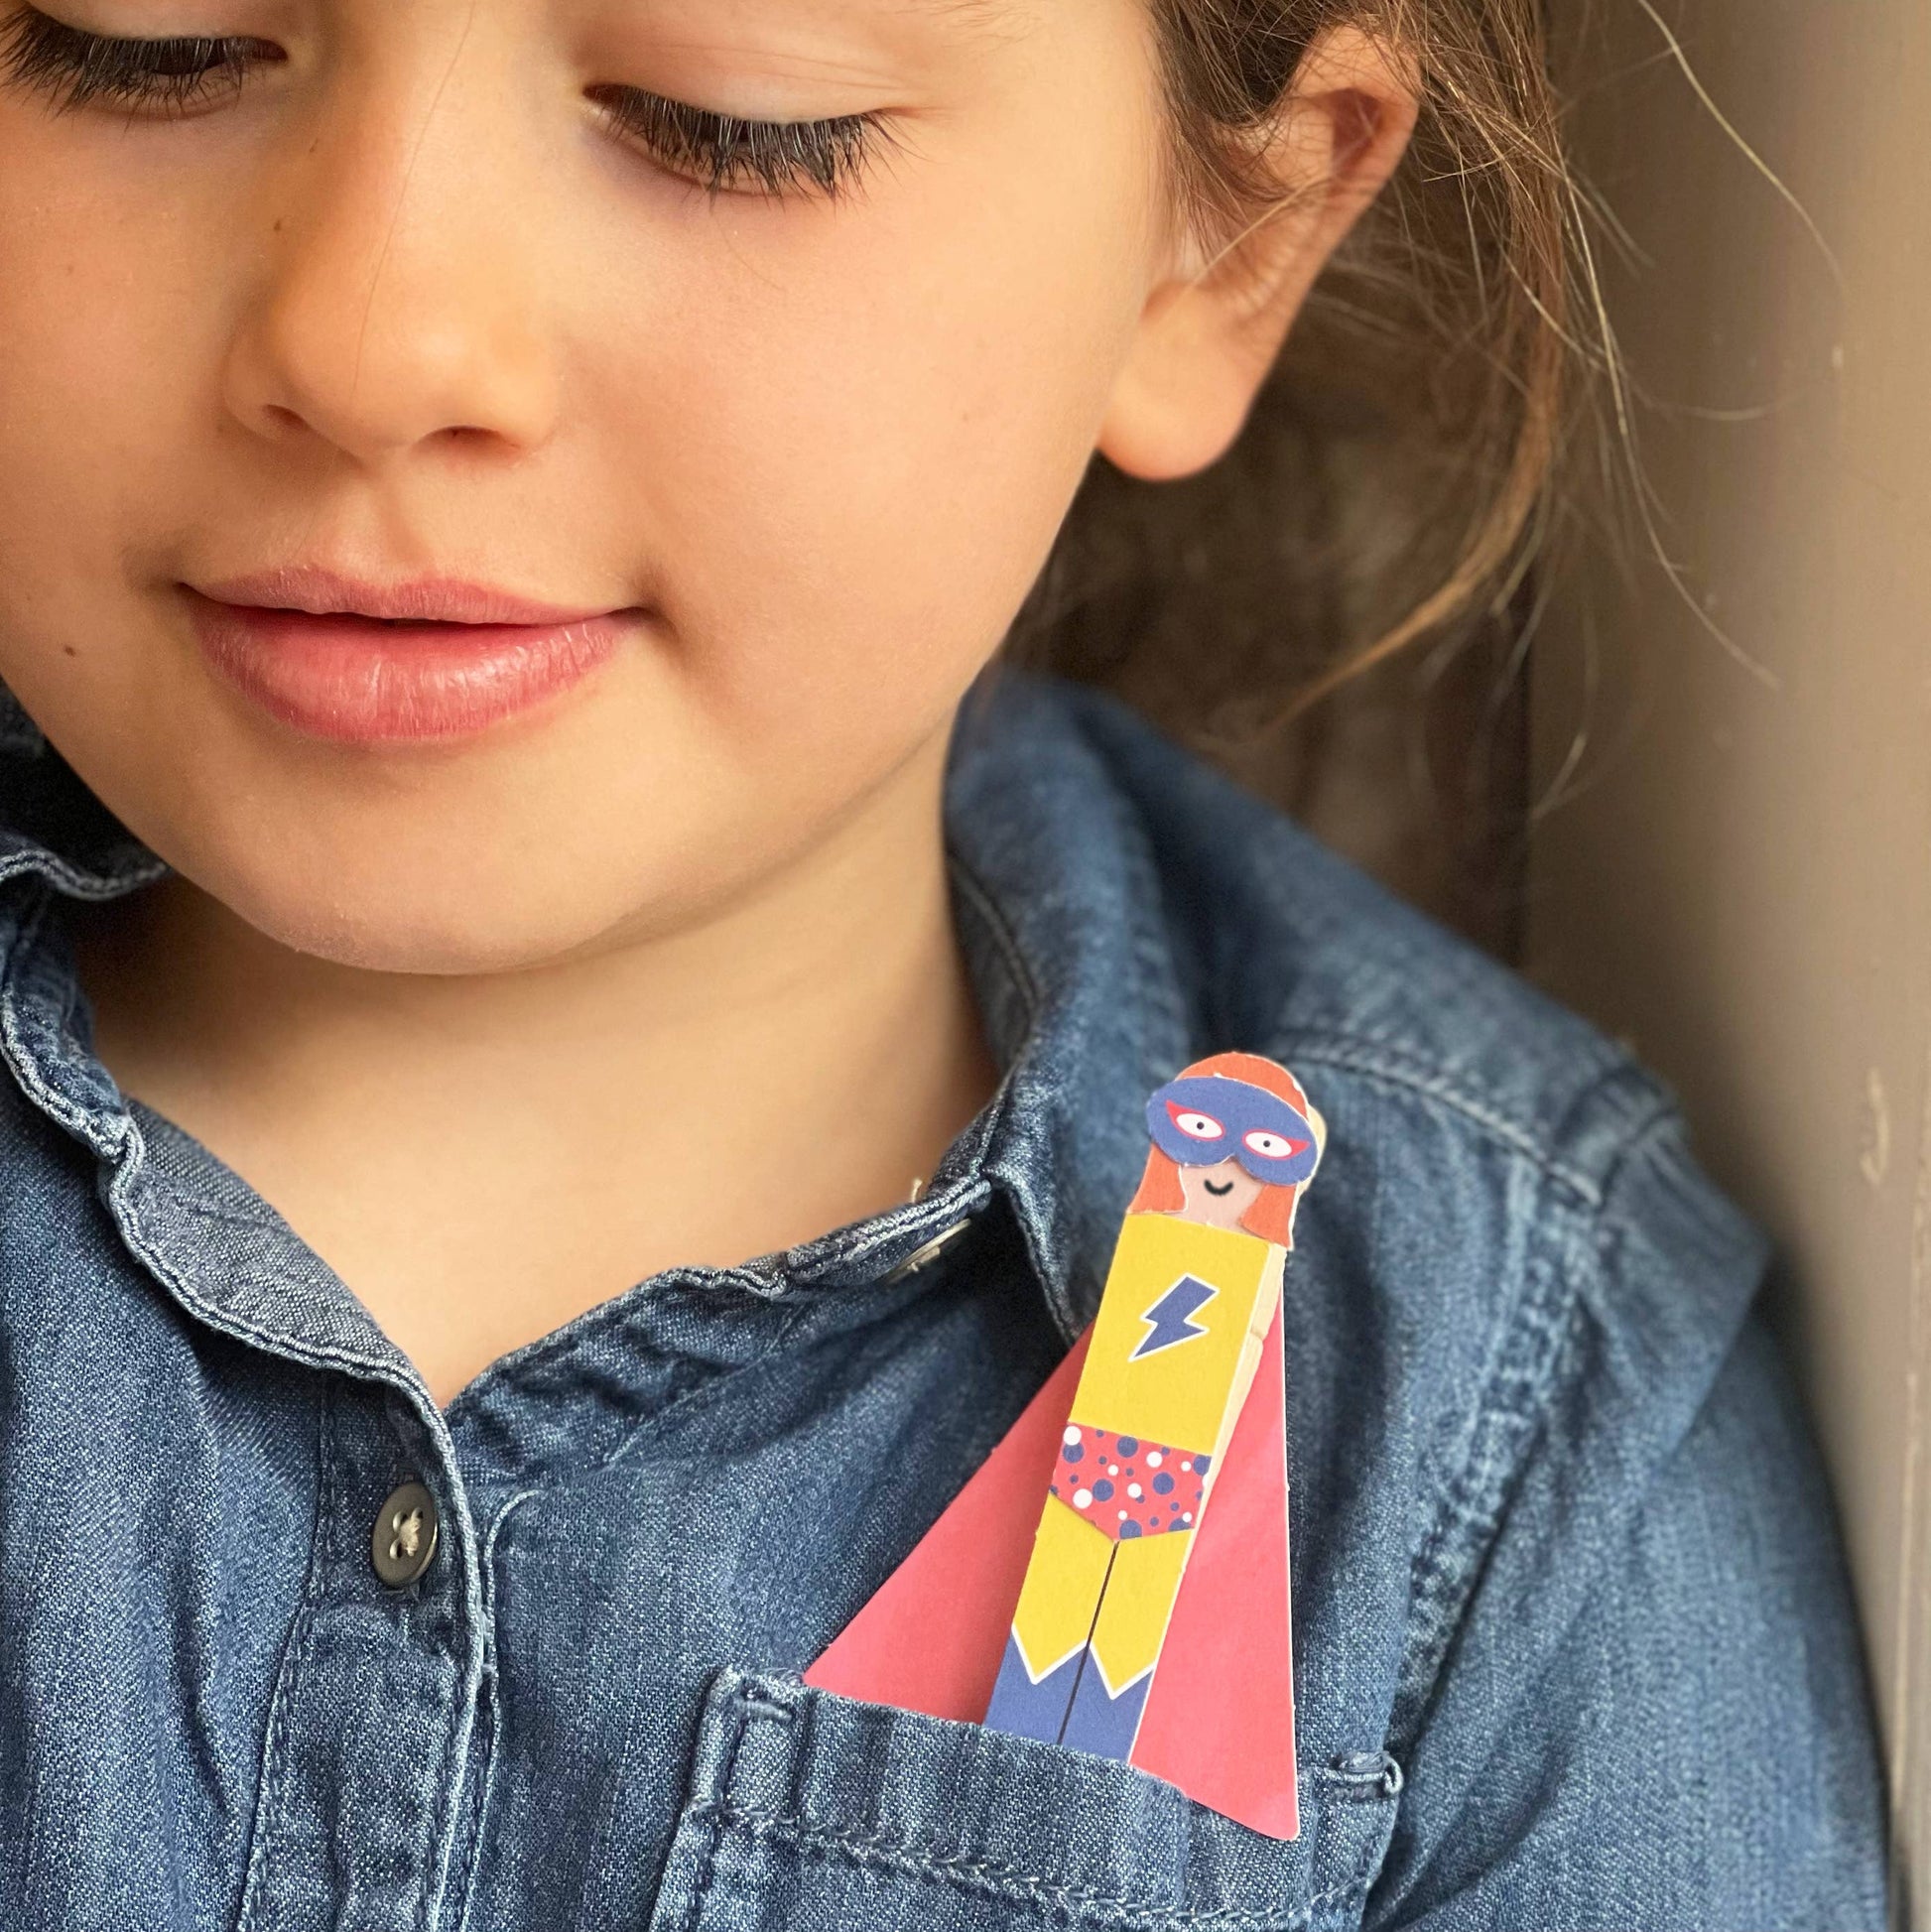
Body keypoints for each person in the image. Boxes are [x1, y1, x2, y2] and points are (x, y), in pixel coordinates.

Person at [0, 1, 1885, 1927]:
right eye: (139, 42)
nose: (370, 346)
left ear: (1226, 243)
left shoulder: (1503, 1429)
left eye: (727, 118)